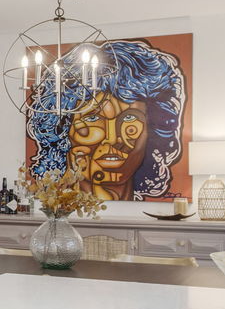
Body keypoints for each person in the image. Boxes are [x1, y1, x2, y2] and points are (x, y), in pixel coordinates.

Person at [27, 38, 186, 200]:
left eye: (130, 118)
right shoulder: (55, 209)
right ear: (62, 130)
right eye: (93, 117)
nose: (112, 139)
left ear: (152, 133)